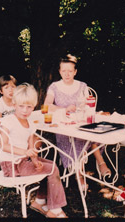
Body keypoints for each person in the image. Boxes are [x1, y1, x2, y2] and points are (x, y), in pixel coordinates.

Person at [0, 83, 68, 218]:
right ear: (14, 105)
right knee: (52, 170)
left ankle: (39, 202)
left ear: (34, 106)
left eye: (29, 107)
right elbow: (3, 145)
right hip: (11, 165)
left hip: (23, 161)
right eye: (21, 106)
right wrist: (24, 153)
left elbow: (31, 147)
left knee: (50, 166)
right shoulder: (8, 121)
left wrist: (35, 160)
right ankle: (56, 211)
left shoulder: (30, 123)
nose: (25, 110)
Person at [44, 54, 111, 189]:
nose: (67, 74)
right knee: (78, 137)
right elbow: (47, 106)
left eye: (70, 71)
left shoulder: (82, 86)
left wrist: (84, 109)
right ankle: (81, 173)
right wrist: (64, 109)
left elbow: (88, 105)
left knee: (91, 132)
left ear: (75, 72)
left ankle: (99, 163)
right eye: (64, 71)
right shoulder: (54, 87)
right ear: (59, 71)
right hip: (64, 128)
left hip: (81, 122)